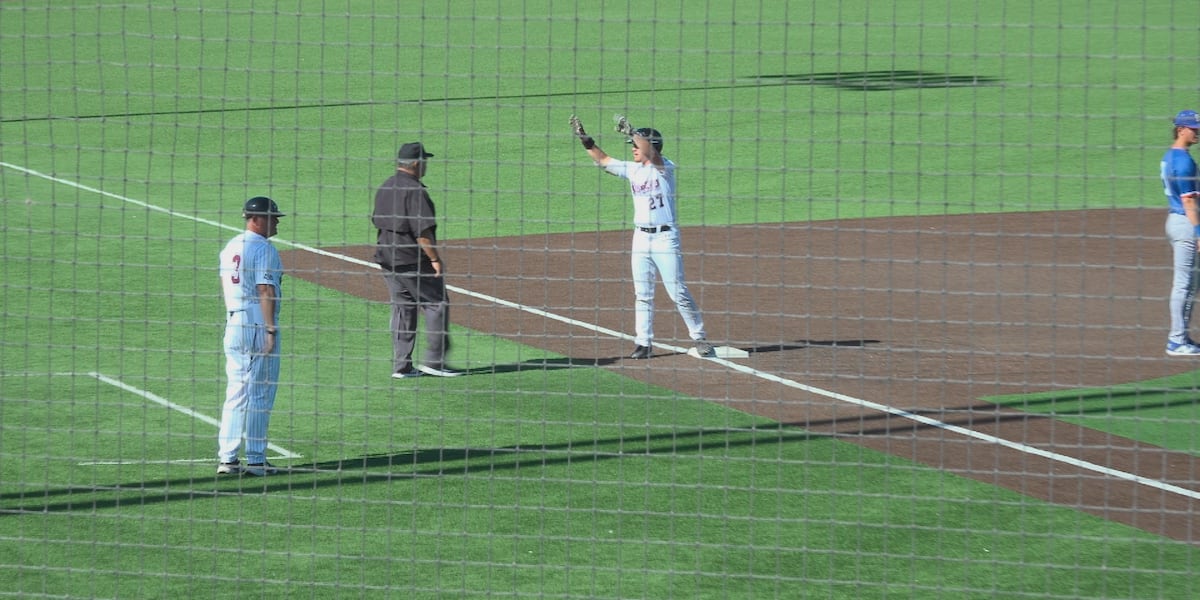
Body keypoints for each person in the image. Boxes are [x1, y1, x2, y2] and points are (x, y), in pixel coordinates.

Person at [569, 114, 715, 359]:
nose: (633, 149)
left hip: (665, 239)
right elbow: (603, 159)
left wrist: (632, 132)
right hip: (641, 238)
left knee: (677, 291)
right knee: (642, 293)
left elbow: (653, 155)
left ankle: (699, 338)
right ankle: (643, 343)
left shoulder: (664, 168)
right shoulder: (633, 170)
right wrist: (584, 138)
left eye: (636, 146)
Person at [372, 142, 462, 378]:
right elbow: (422, 232)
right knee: (436, 303)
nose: (426, 165)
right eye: (424, 161)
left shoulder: (386, 186)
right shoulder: (415, 191)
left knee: (403, 309)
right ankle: (435, 361)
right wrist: (435, 259)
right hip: (412, 259)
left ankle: (402, 366)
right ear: (415, 163)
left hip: (387, 258)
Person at [217, 196, 285, 476]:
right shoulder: (263, 248)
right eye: (273, 217)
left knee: (236, 392)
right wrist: (270, 329)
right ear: (256, 219)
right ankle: (256, 460)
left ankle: (228, 459)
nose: (277, 221)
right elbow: (265, 290)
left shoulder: (230, 246)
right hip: (256, 322)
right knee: (260, 393)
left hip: (233, 322)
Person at [1163, 109, 1200, 356]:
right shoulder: (1184, 160)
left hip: (1175, 220)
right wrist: (1198, 231)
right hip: (1186, 223)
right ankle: (1176, 340)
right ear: (1181, 129)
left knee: (1191, 283)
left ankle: (1182, 337)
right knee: (1184, 284)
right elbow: (1188, 201)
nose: (1197, 132)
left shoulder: (1169, 156)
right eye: (1193, 128)